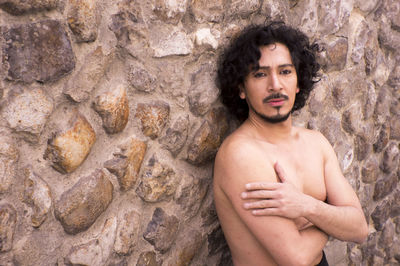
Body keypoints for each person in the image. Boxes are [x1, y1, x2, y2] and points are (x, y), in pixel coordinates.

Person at [213, 22, 368, 266]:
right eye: (260, 74)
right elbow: (297, 258)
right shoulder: (241, 154)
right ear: (241, 88)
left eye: (285, 71)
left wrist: (306, 207)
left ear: (298, 82)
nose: (275, 85)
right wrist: (331, 217)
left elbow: (359, 228)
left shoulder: (315, 143)